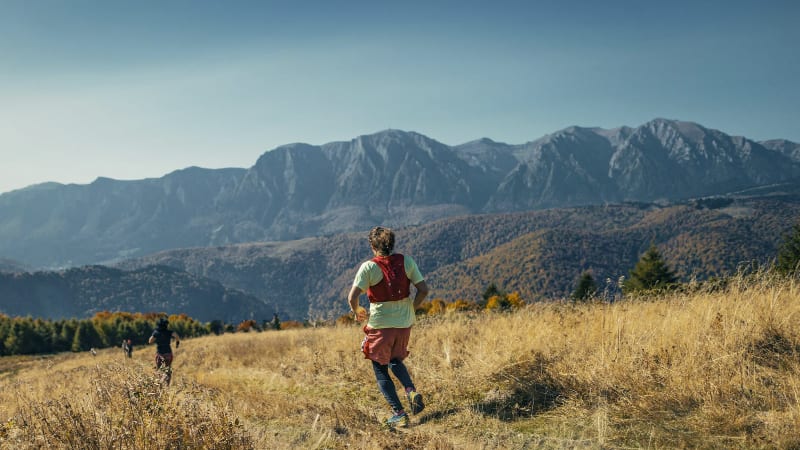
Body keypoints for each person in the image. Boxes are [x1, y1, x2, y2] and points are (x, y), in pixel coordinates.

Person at [348, 226, 429, 428]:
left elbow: (352, 297)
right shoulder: (406, 261)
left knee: (380, 368)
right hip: (404, 324)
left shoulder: (369, 267)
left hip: (381, 325)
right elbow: (423, 290)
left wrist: (358, 311)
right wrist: (412, 308)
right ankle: (411, 390)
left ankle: (399, 413)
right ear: (392, 244)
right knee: (394, 359)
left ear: (373, 246)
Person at [148, 317, 181, 385]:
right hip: (168, 353)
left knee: (159, 370)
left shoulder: (156, 332)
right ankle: (167, 385)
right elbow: (176, 336)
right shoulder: (169, 332)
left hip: (160, 353)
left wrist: (156, 337)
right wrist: (177, 343)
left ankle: (159, 384)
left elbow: (150, 341)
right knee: (168, 370)